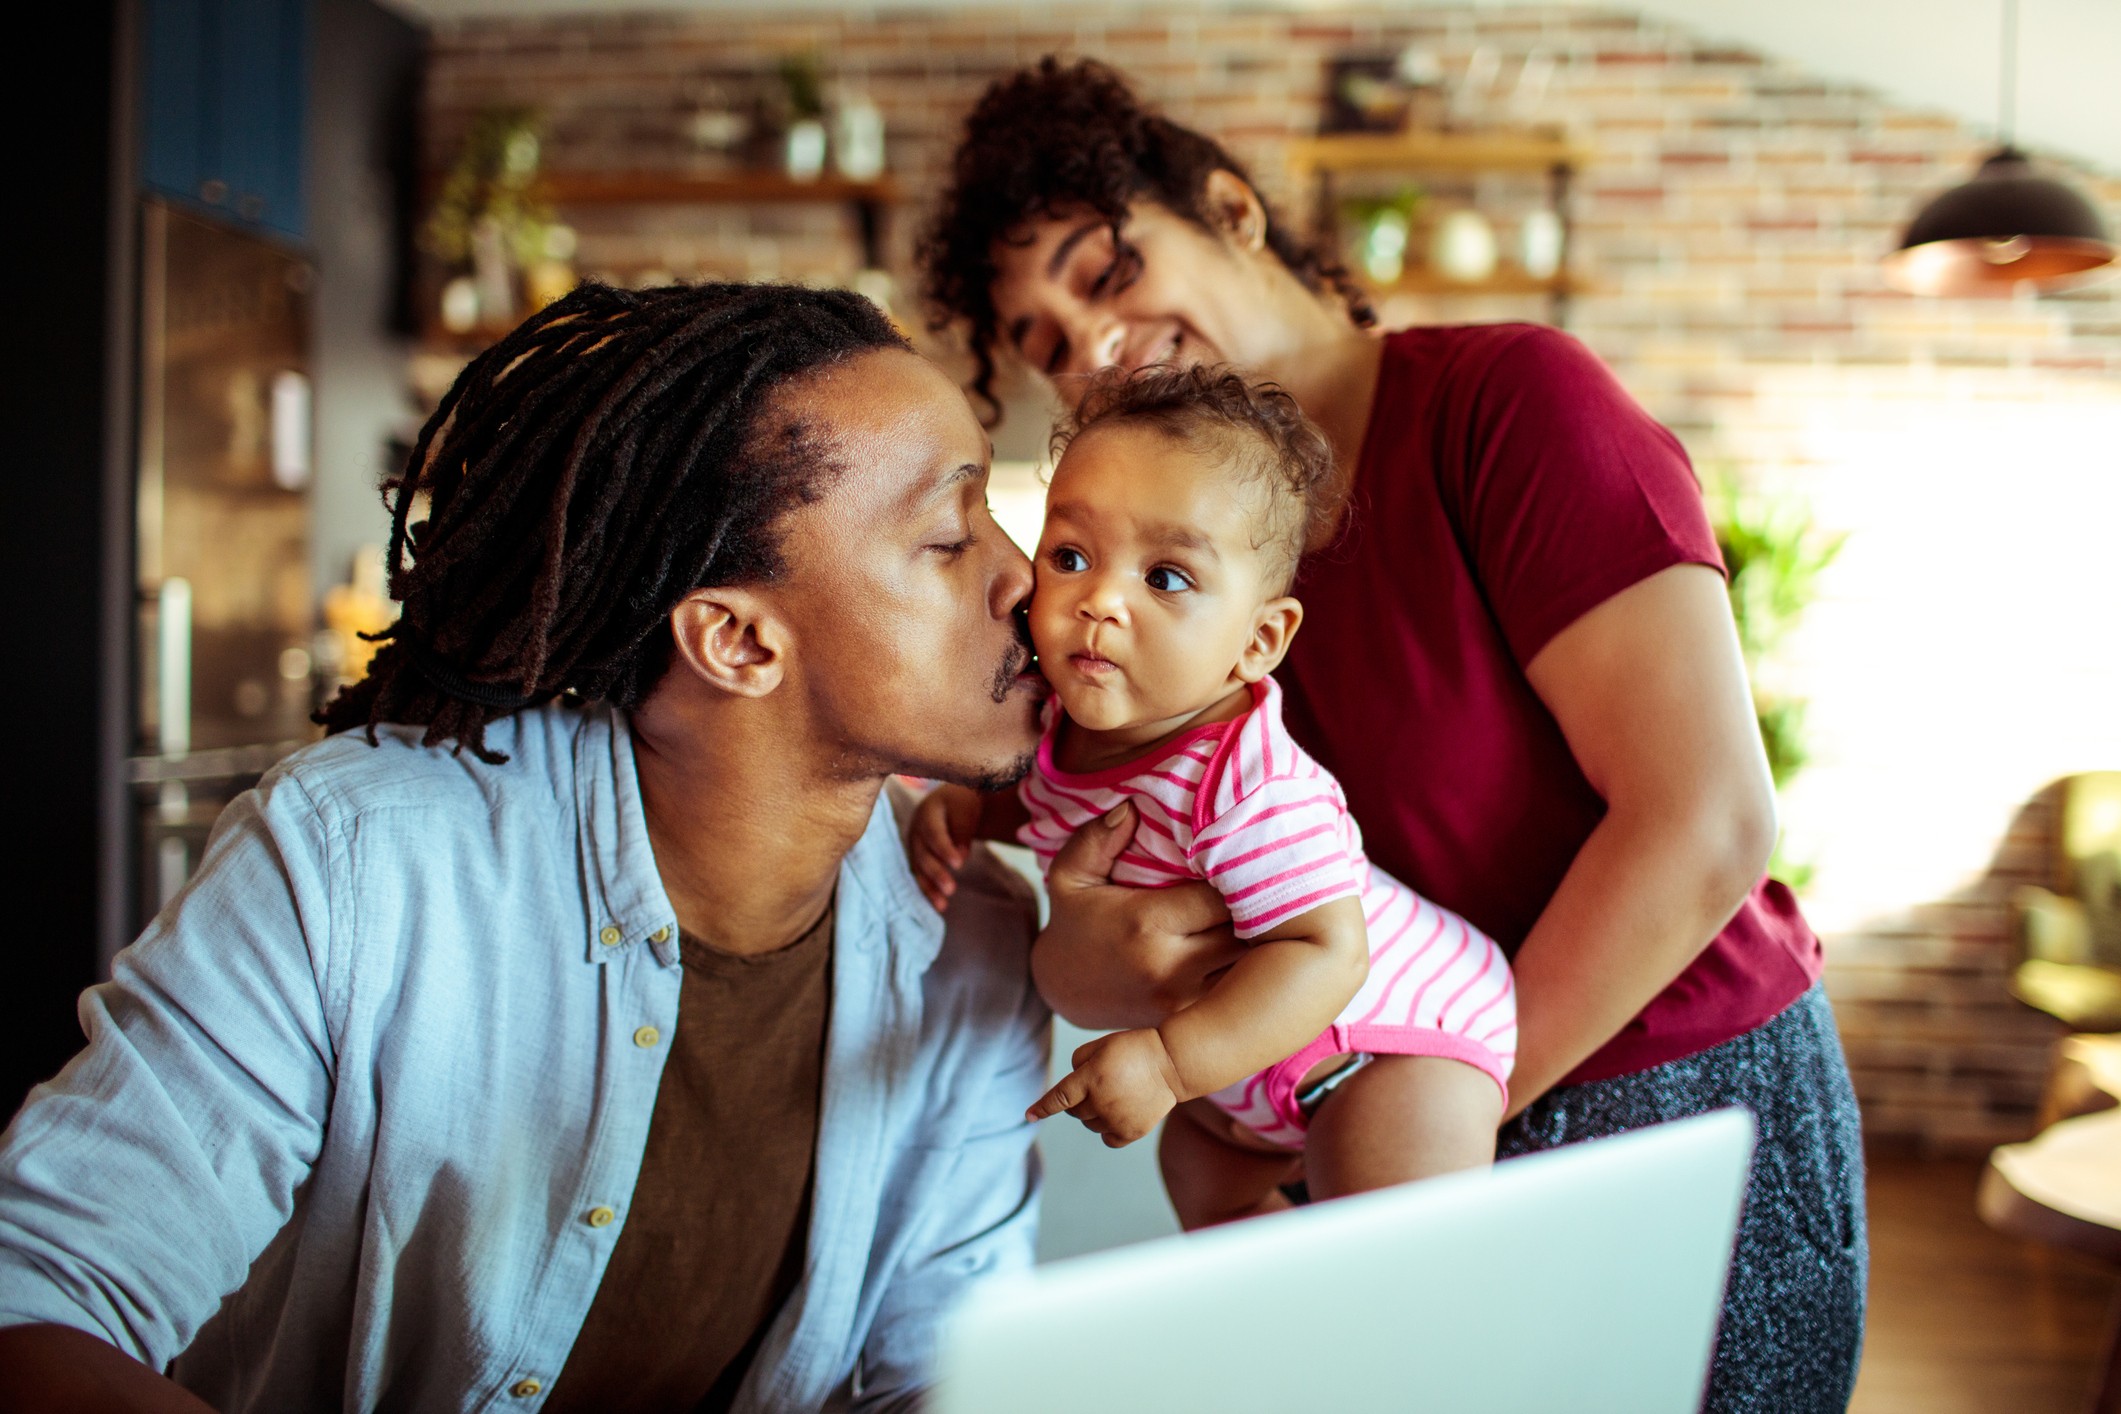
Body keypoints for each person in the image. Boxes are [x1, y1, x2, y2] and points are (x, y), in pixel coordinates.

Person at [918, 58, 1865, 1412]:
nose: (1096, 341)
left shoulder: (1507, 407)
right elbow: (1154, 887)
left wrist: (1415, 1135)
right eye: (1052, 343)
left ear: (1234, 212)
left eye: (1105, 272)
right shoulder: (1141, 597)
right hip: (1353, 1113)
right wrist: (1100, 960)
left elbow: (1704, 821)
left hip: (1665, 1102)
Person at [0, 282, 1051, 1414]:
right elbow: (36, 1303)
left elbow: (939, 1380)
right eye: (950, 537)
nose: (1026, 579)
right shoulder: (355, 865)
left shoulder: (976, 942)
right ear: (739, 641)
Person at [909, 366, 1513, 1227]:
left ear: (1258, 641)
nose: (1099, 602)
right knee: (1199, 1178)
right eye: (1071, 556)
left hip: (1385, 1041)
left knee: (1383, 1257)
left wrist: (1166, 1065)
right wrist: (973, 807)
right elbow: (1051, 799)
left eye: (1165, 578)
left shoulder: (1246, 782)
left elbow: (1326, 950)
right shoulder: (1051, 726)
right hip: (1239, 1075)